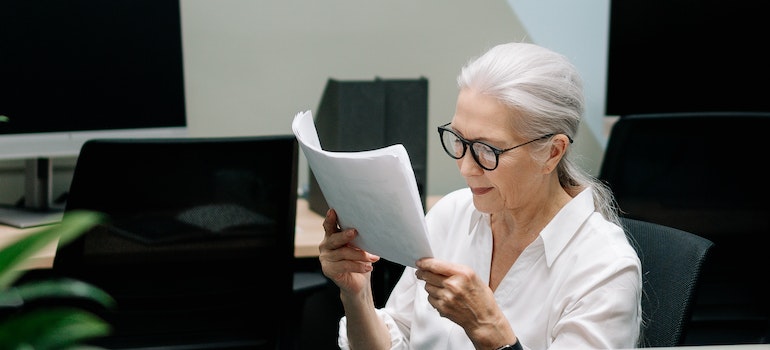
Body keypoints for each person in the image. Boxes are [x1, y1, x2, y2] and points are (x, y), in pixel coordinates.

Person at [319, 42, 642, 350]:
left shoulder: (604, 267)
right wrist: (356, 294)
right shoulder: (452, 214)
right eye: (458, 139)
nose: (465, 166)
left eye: (488, 150)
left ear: (552, 152)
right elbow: (397, 338)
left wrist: (489, 331)